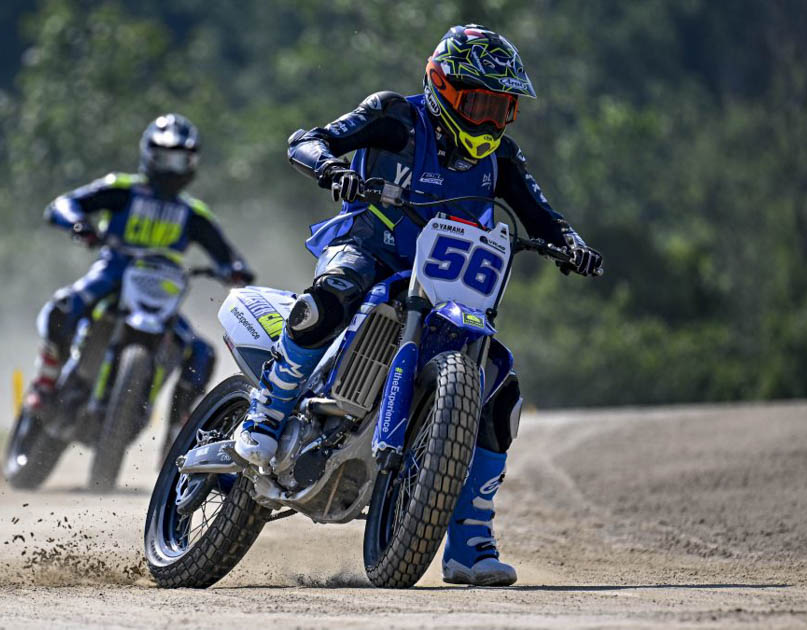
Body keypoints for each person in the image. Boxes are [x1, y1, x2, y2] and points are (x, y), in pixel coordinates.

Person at [233, 25, 603, 586]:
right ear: (443, 88)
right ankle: (266, 412)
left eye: (501, 108)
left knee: (501, 390)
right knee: (331, 297)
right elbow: (309, 140)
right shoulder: (395, 117)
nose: (489, 121)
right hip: (369, 249)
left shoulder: (501, 159)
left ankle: (470, 543)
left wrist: (571, 245)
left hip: (444, 285)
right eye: (478, 104)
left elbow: (542, 215)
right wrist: (330, 167)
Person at [32, 113, 255, 455]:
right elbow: (64, 204)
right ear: (149, 154)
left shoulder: (194, 213)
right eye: (165, 157)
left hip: (161, 287)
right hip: (114, 269)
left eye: (181, 159)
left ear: (193, 162)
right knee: (64, 308)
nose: (172, 168)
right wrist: (78, 224)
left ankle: (178, 438)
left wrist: (235, 270)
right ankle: (45, 382)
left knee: (202, 353)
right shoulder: (122, 188)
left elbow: (227, 255)